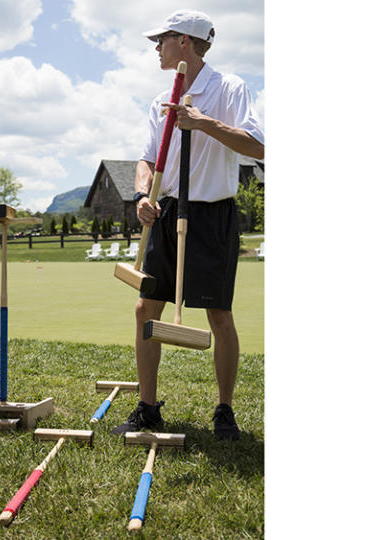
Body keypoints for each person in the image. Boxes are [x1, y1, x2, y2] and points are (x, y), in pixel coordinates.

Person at [111, 9, 264, 440]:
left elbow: (259, 147)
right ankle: (147, 406)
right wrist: (143, 196)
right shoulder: (160, 98)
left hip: (212, 213)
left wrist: (202, 123)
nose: (156, 47)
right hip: (165, 211)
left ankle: (225, 411)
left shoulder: (230, 89)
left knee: (219, 313)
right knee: (146, 308)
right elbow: (146, 158)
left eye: (161, 39)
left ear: (185, 41)